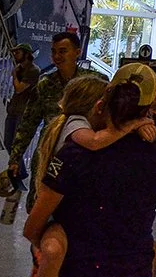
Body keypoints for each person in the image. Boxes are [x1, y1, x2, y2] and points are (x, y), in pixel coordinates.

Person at [23, 63, 156, 277]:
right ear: (149, 108)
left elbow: (32, 227)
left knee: (53, 243)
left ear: (102, 105)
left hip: (78, 275)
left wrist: (49, 242)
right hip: (134, 275)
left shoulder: (76, 153)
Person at [7, 32, 92, 199]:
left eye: (63, 51)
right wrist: (15, 159)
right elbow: (28, 124)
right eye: (54, 51)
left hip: (81, 156)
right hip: (47, 154)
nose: (57, 56)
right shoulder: (45, 84)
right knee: (37, 201)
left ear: (77, 52)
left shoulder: (92, 83)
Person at [5, 43, 41, 180]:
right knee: (8, 141)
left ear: (26, 54)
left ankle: (19, 172)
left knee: (16, 143)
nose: (15, 55)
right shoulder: (20, 69)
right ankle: (20, 171)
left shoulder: (33, 70)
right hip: (14, 109)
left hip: (23, 111)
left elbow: (19, 88)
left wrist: (15, 75)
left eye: (18, 52)